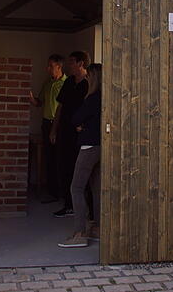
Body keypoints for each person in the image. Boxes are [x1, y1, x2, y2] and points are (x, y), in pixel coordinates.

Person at [59, 63, 102, 248]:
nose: (86, 79)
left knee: (76, 188)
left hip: (88, 147)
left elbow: (76, 118)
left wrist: (80, 125)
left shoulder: (92, 98)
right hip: (101, 146)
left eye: (88, 77)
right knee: (96, 187)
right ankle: (99, 228)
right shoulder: (105, 97)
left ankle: (80, 233)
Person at [50, 50, 89, 218]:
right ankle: (68, 204)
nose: (69, 65)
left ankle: (83, 207)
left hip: (81, 133)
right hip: (65, 130)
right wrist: (54, 129)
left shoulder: (89, 83)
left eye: (72, 62)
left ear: (81, 63)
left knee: (79, 168)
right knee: (64, 166)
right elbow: (60, 106)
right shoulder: (69, 82)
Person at [28, 54, 66, 201]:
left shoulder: (66, 83)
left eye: (51, 66)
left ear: (59, 66)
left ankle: (59, 193)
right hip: (46, 123)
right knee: (49, 159)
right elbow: (39, 103)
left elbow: (62, 109)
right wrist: (31, 99)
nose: (47, 68)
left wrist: (54, 130)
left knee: (59, 159)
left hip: (58, 125)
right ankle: (52, 192)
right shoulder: (47, 83)